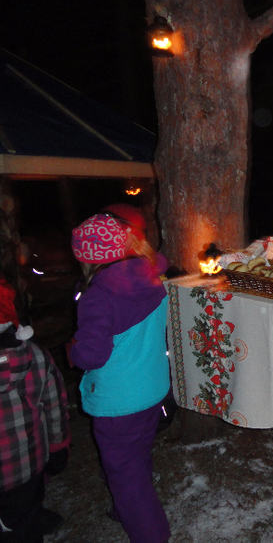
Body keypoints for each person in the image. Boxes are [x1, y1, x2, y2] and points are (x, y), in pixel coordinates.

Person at [68, 213, 170, 542]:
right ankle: (131, 506)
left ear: (85, 257)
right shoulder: (151, 273)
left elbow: (93, 355)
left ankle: (148, 530)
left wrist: (73, 350)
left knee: (125, 472)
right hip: (152, 388)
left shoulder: (98, 296)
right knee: (135, 456)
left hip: (119, 399)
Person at [1, 290, 70, 542]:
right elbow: (55, 406)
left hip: (25, 469)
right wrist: (58, 446)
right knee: (26, 526)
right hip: (27, 467)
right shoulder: (36, 356)